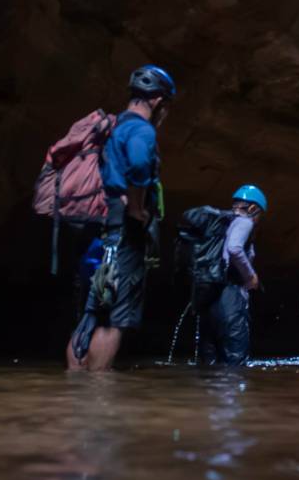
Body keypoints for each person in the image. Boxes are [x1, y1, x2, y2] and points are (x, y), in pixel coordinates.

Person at [67, 64, 177, 372]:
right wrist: (137, 209)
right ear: (157, 100)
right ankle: (99, 396)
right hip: (123, 234)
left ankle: (73, 388)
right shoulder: (141, 129)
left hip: (97, 230)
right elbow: (141, 164)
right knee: (113, 317)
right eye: (165, 105)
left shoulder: (112, 126)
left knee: (92, 312)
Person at [183, 185, 266, 367]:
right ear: (253, 208)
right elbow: (234, 248)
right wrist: (250, 276)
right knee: (235, 365)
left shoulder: (222, 225)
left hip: (210, 299)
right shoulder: (245, 222)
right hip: (231, 299)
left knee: (209, 366)